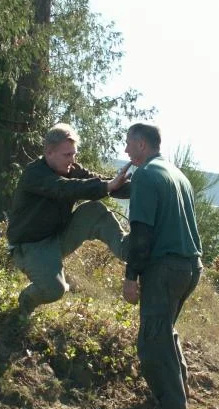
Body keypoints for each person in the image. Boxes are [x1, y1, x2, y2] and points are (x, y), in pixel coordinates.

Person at [122, 121, 203, 409]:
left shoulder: (145, 174)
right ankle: (179, 393)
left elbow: (141, 232)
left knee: (151, 342)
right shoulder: (177, 175)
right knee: (164, 332)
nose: (126, 149)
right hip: (191, 267)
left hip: (165, 269)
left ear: (142, 145)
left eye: (129, 143)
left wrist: (131, 277)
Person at [7, 123, 131, 316]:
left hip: (57, 238)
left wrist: (140, 188)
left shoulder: (71, 168)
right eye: (67, 155)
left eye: (74, 154)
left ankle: (128, 249)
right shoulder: (35, 174)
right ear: (49, 153)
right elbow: (65, 188)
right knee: (55, 290)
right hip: (30, 247)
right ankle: (27, 300)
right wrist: (107, 186)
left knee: (94, 210)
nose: (72, 160)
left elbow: (99, 181)